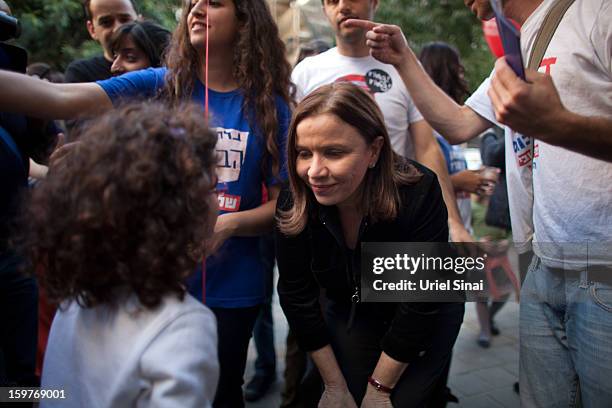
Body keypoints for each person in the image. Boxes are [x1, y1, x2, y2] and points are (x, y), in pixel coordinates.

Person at [0, 1, 293, 406]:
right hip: (145, 278)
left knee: (223, 392)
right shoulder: (160, 84)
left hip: (231, 289)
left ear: (246, 20)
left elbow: (283, 205)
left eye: (214, 3)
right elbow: (56, 97)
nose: (196, 10)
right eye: (191, 3)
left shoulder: (269, 107)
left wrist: (227, 225)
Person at [347, 0, 612, 404]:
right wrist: (403, 60)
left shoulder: (597, 13)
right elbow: (458, 124)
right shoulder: (519, 47)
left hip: (603, 268)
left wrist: (560, 126)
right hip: (542, 265)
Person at [275, 82, 464, 407]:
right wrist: (334, 386)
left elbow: (419, 303)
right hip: (353, 305)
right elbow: (296, 295)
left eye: (334, 152)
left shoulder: (419, 191)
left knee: (404, 400)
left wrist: (380, 388)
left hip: (425, 306)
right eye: (304, 153)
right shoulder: (295, 199)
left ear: (374, 151)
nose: (315, 171)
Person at [19, 102, 219, 408]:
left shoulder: (76, 299)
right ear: (181, 212)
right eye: (212, 188)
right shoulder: (182, 326)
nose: (217, 200)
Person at [291, 0, 473, 244]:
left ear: (375, 2)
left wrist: (453, 221)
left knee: (394, 282)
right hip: (325, 219)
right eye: (332, 1)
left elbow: (427, 148)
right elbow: (295, 151)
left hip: (393, 212)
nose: (343, 7)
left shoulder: (404, 67)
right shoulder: (305, 73)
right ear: (324, 8)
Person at [64, 0, 138, 83]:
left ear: (140, 21)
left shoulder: (154, 64)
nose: (117, 29)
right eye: (106, 22)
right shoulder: (81, 73)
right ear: (92, 30)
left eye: (125, 20)